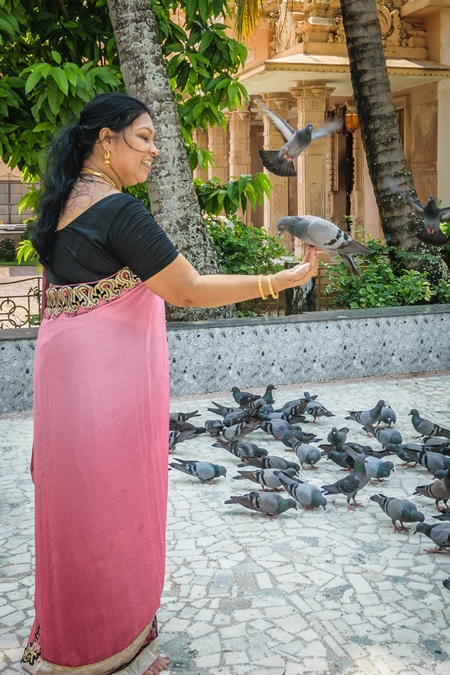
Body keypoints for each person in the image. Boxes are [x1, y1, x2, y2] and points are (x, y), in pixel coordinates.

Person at [21, 92, 320, 675]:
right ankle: (104, 647)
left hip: (62, 377)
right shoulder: (118, 212)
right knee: (108, 503)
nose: (155, 151)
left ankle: (69, 640)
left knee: (74, 505)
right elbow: (186, 289)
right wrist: (277, 280)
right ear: (105, 141)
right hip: (100, 386)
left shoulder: (60, 204)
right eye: (144, 137)